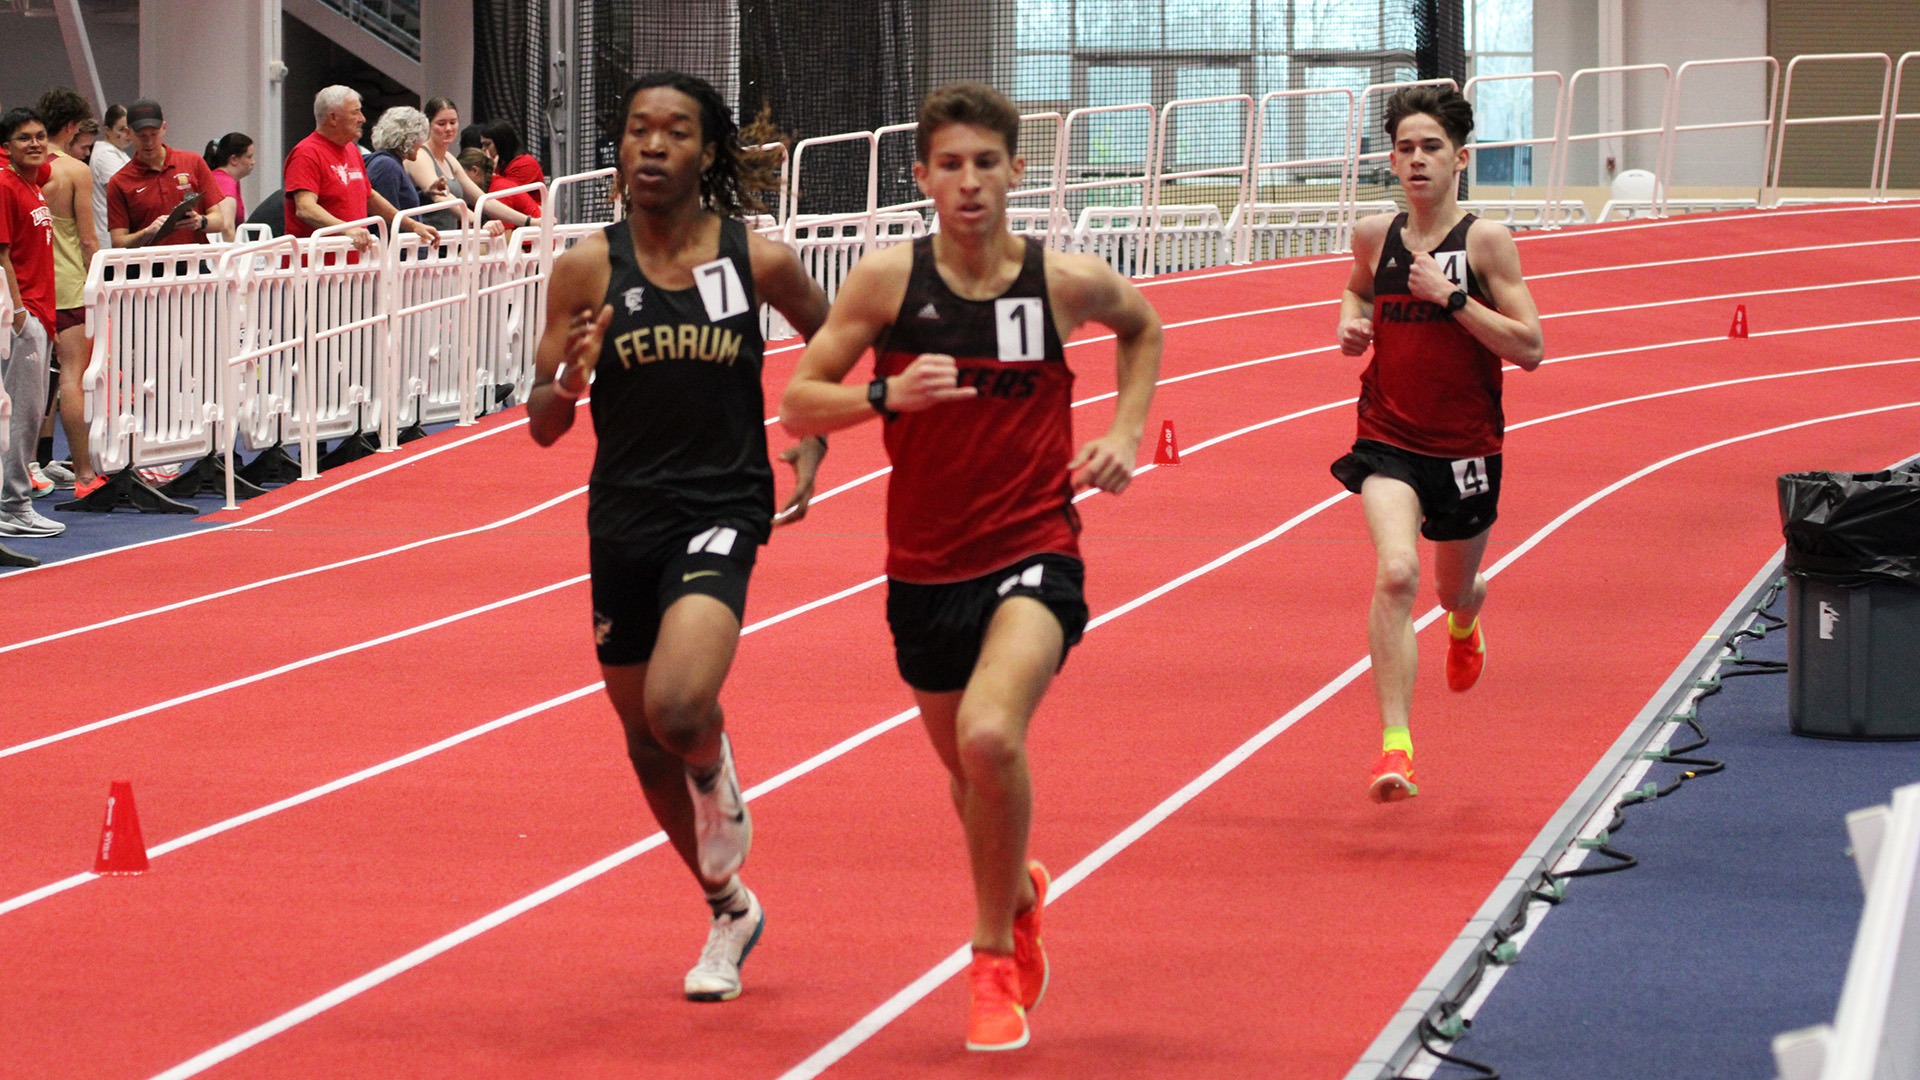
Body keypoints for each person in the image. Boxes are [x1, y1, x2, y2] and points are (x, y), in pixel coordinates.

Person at [781, 81, 1163, 1052]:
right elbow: (800, 400)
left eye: (986, 163)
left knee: (993, 740)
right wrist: (888, 394)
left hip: (1035, 544)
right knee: (968, 780)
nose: (969, 182)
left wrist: (1125, 428)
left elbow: (1142, 325)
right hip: (923, 568)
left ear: (1016, 173)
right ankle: (1020, 886)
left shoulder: (1060, 281)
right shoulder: (885, 283)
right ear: (921, 177)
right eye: (949, 165)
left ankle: (991, 956)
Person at [527, 71, 829, 1005]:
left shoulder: (755, 260)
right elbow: (542, 425)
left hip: (721, 504)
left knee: (682, 707)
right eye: (637, 131)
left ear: (708, 152)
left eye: (676, 133)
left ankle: (715, 768)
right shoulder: (585, 267)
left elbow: (829, 340)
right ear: (618, 148)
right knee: (643, 740)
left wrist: (810, 439)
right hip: (623, 514)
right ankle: (727, 904)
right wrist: (568, 383)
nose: (653, 146)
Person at [1329, 85, 1543, 803]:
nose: (1416, 160)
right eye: (1406, 148)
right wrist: (1352, 324)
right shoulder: (1373, 235)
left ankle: (1465, 614)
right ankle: (1396, 748)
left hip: (1466, 448)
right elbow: (1357, 291)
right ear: (1391, 158)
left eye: (1431, 148)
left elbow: (1532, 348)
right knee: (1395, 573)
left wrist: (1451, 298)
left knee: (1452, 583)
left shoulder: (1485, 242)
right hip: (1387, 434)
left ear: (1460, 159)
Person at [0, 108, 66, 541]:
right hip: (22, 315)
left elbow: (52, 167)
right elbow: (1, 254)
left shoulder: (31, 181)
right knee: (22, 414)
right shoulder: (5, 185)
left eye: (41, 137)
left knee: (29, 408)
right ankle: (14, 505)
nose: (37, 144)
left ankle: (13, 500)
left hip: (41, 311)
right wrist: (20, 312)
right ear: (6, 147)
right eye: (25, 138)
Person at [34, 87, 101, 497]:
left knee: (36, 385)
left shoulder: (22, 168)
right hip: (70, 286)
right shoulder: (76, 171)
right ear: (74, 126)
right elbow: (89, 240)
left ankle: (31, 466)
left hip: (30, 287)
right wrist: (101, 283)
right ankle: (85, 474)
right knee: (72, 377)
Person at [284, 86, 436, 252]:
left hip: (352, 265)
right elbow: (305, 208)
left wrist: (412, 224)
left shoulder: (351, 150)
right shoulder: (306, 153)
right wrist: (346, 229)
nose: (362, 119)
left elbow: (369, 196)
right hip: (315, 268)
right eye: (355, 112)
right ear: (333, 118)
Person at [105, 98, 225, 248]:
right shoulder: (119, 182)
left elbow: (219, 221)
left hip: (193, 263)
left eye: (154, 134)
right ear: (129, 133)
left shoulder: (193, 162)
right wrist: (147, 232)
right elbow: (118, 242)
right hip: (147, 267)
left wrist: (200, 222)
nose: (148, 142)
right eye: (142, 136)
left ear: (164, 128)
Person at [364, 106, 438, 216]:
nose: (422, 144)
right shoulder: (387, 167)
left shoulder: (388, 164)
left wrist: (425, 194)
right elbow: (389, 216)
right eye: (420, 138)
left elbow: (401, 205)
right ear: (409, 138)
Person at [88, 103, 131, 250]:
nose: (127, 133)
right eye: (121, 129)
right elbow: (126, 192)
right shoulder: (105, 155)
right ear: (107, 130)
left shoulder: (119, 152)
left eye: (129, 128)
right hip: (109, 238)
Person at [460, 146, 539, 224]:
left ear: (474, 170)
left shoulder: (498, 191)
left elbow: (507, 236)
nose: (459, 181)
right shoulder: (492, 186)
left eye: (461, 175)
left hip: (539, 234)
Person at [204, 133, 255, 243]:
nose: (253, 162)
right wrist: (238, 257)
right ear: (234, 159)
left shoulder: (231, 181)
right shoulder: (225, 182)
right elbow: (226, 227)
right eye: (249, 157)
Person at [481, 119, 543, 208]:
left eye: (487, 145)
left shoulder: (525, 163)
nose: (483, 149)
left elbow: (505, 196)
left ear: (500, 142)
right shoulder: (501, 163)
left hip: (533, 215)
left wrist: (492, 174)